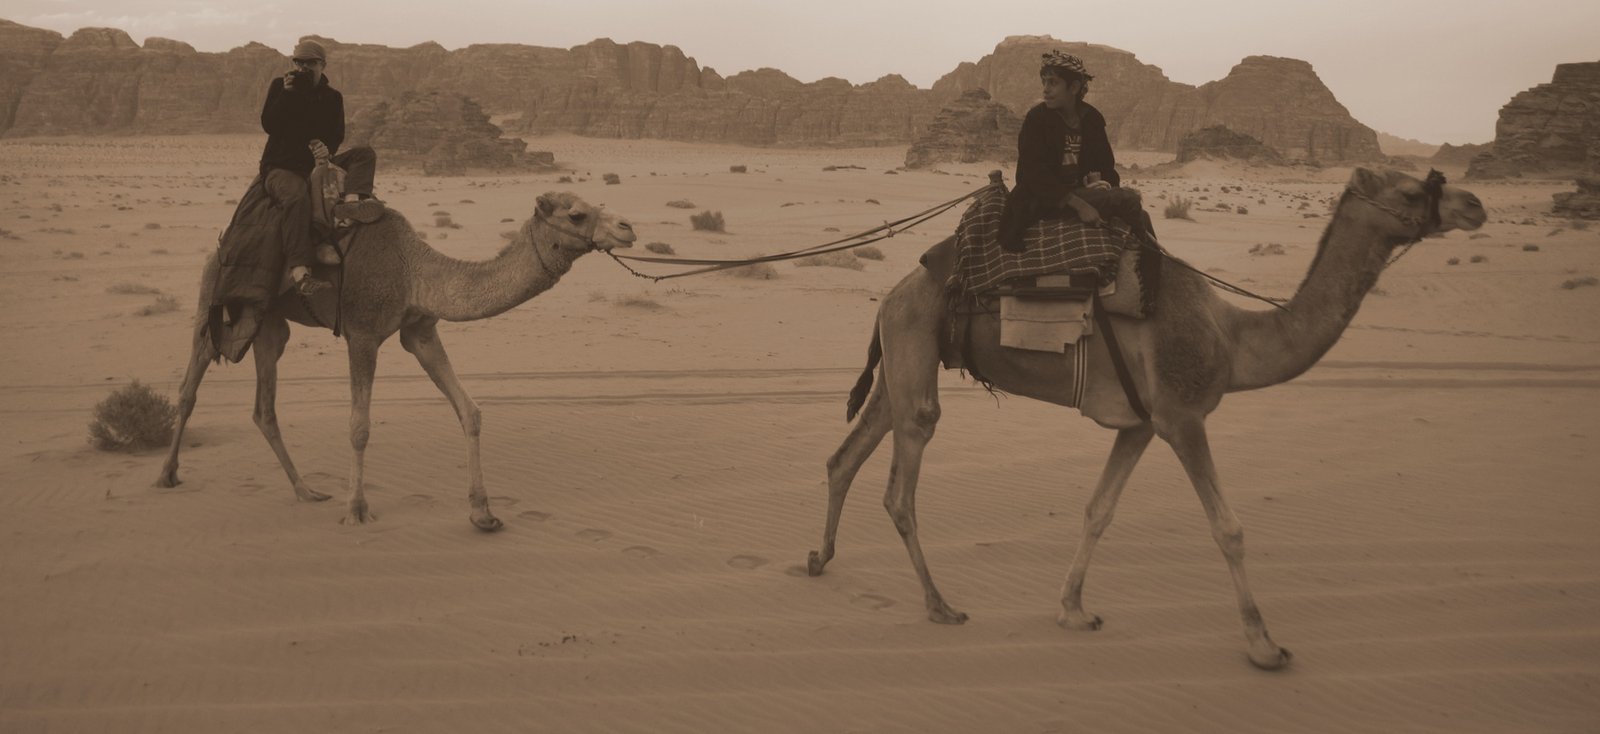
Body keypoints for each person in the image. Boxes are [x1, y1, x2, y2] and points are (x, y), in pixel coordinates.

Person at [258, 40, 382, 292]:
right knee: (296, 197)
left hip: (318, 162)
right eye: (299, 62)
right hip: (282, 166)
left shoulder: (332, 98)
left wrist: (326, 150)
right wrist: (288, 94)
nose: (304, 68)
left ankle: (351, 205)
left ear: (322, 65)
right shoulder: (280, 87)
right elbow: (270, 125)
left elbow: (335, 135)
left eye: (310, 63)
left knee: (364, 154)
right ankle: (300, 271)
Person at [999, 50, 1153, 252]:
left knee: (1141, 215)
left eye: (1053, 83)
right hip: (1042, 199)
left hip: (1081, 193)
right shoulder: (1037, 119)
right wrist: (1080, 205)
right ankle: (1151, 260)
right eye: (1044, 82)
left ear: (1073, 87)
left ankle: (1146, 263)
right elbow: (1033, 174)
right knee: (1128, 199)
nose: (1045, 90)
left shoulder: (1092, 119)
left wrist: (1102, 184)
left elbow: (1107, 166)